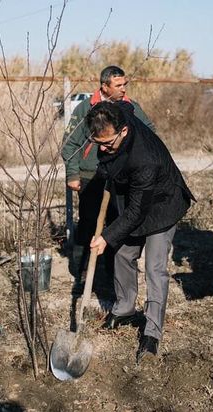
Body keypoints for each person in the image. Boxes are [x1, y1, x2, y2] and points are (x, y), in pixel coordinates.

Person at [86, 101, 195, 363]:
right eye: (98, 142)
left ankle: (151, 332)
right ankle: (124, 309)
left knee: (155, 267)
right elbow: (126, 106)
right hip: (136, 198)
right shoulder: (115, 115)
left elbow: (136, 212)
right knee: (122, 254)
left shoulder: (145, 158)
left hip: (162, 203)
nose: (103, 148)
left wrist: (106, 236)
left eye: (108, 143)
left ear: (123, 132)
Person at [61, 65, 154, 295]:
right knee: (89, 224)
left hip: (121, 177)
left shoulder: (130, 107)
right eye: (118, 85)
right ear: (104, 86)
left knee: (116, 224)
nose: (123, 89)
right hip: (91, 176)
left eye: (125, 85)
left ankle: (113, 275)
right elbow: (70, 144)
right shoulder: (86, 108)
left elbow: (150, 133)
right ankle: (83, 273)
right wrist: (73, 174)